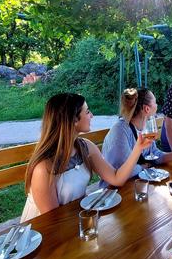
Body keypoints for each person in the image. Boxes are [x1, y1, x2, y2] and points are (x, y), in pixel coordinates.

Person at [21, 93, 154, 222]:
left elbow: (116, 178)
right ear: (73, 120)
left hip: (75, 219)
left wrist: (138, 149)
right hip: (39, 235)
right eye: (87, 112)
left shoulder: (85, 147)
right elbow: (52, 221)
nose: (92, 115)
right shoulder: (44, 167)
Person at [99, 87, 172, 188]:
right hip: (113, 190)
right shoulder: (120, 130)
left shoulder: (146, 127)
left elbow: (154, 154)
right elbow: (123, 169)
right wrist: (145, 166)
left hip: (137, 182)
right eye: (155, 102)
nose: (157, 105)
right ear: (147, 109)